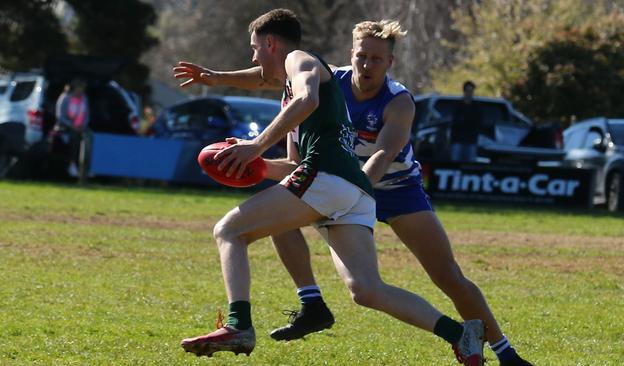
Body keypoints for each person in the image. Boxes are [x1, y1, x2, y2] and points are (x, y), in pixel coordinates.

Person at [173, 9, 485, 365]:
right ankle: (460, 334)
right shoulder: (289, 92)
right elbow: (269, 95)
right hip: (355, 191)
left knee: (228, 230)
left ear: (271, 42)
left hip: (328, 178)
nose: (253, 55)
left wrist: (256, 145)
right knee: (368, 290)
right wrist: (251, 153)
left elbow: (308, 99)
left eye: (255, 47)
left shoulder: (298, 59)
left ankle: (240, 324)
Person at [267, 21, 532, 366]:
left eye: (377, 59)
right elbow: (273, 85)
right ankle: (311, 301)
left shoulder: (399, 101)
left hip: (396, 188)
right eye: (361, 56)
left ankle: (507, 354)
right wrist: (217, 82)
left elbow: (383, 154)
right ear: (351, 55)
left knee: (447, 275)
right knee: (279, 212)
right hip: (345, 185)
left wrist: (350, 191)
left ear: (390, 63)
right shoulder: (331, 82)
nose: (367, 65)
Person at [54, 78, 89, 176]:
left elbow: (86, 115)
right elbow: (60, 117)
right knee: (74, 138)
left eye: (83, 89)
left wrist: (83, 125)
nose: (81, 91)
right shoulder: (65, 98)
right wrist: (73, 126)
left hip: (81, 127)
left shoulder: (84, 99)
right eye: (79, 88)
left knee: (90, 138)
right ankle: (72, 164)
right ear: (74, 88)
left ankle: (87, 166)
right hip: (65, 127)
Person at [449, 80, 482, 162]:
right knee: (455, 163)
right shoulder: (457, 105)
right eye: (467, 91)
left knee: (470, 165)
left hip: (471, 141)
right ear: (464, 91)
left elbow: (479, 122)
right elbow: (454, 121)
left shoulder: (476, 106)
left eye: (471, 91)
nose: (469, 93)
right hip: (457, 140)